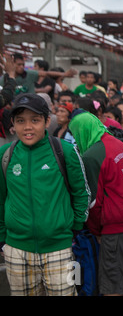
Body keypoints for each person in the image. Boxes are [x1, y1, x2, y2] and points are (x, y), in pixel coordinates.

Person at [0, 93, 91, 296]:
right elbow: (0, 199)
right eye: (21, 121)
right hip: (16, 251)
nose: (28, 127)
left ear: (47, 121)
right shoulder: (5, 155)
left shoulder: (65, 151)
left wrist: (73, 229)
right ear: (13, 123)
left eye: (35, 120)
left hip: (60, 250)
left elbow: (82, 193)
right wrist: (3, 240)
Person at [69, 111, 123, 296]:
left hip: (116, 225)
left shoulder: (92, 155)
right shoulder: (119, 144)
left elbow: (94, 202)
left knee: (112, 285)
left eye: (76, 135)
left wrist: (96, 231)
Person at [0, 53, 77, 94]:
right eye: (19, 65)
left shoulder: (29, 74)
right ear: (12, 64)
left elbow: (46, 73)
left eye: (23, 65)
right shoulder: (5, 79)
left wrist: (64, 74)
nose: (22, 67)